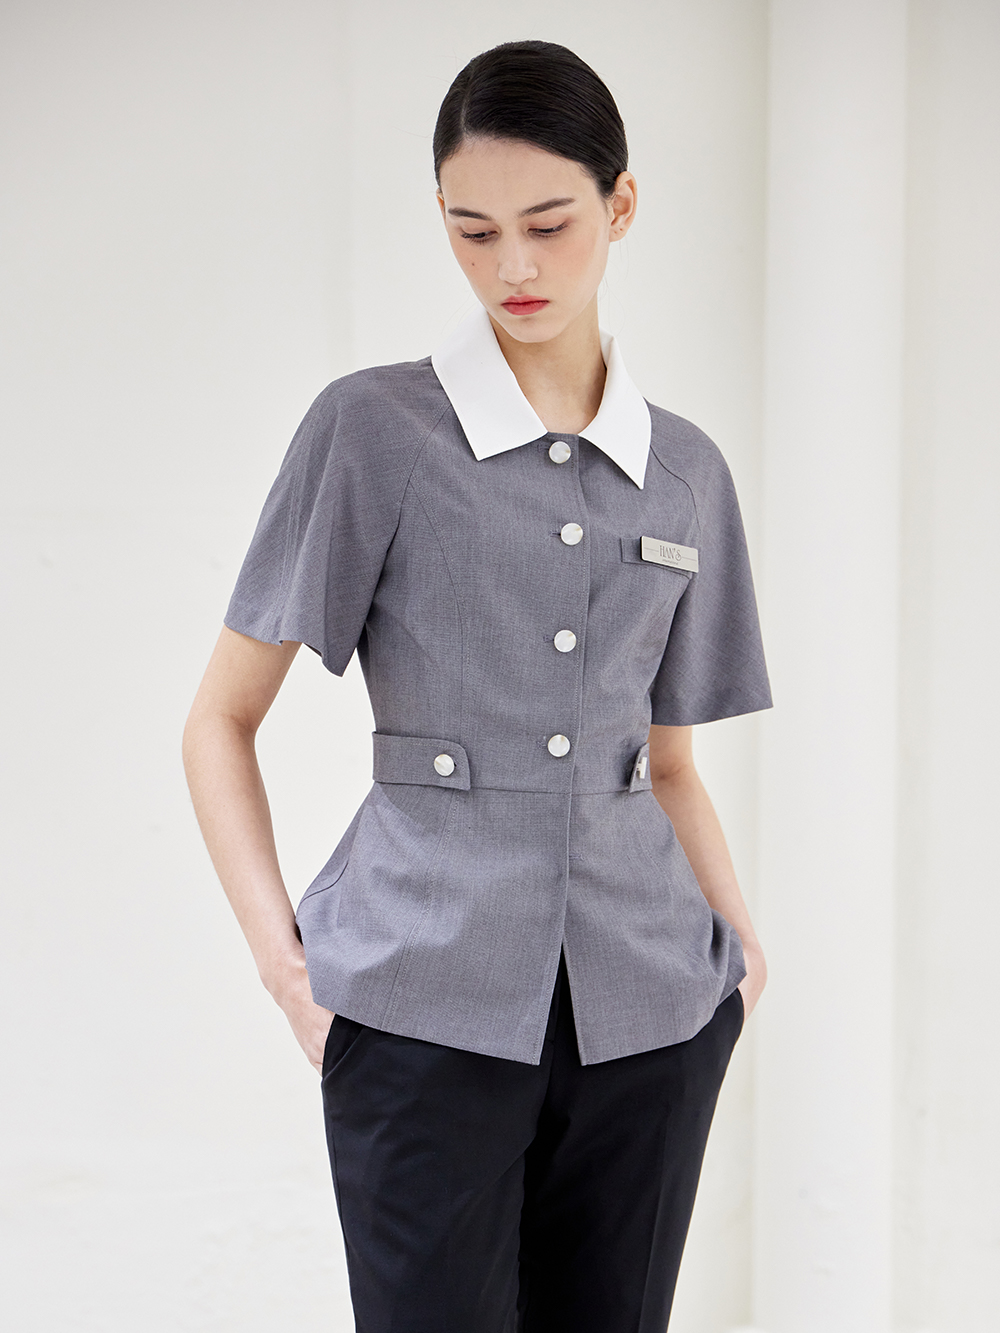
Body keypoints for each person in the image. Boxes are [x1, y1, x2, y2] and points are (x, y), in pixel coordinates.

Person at [183, 38, 772, 1333]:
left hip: (652, 1020)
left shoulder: (686, 473)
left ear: (621, 205)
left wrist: (737, 961)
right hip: (417, 1007)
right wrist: (289, 974)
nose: (514, 267)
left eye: (550, 225)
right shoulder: (372, 431)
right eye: (474, 231)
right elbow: (219, 722)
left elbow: (671, 762)